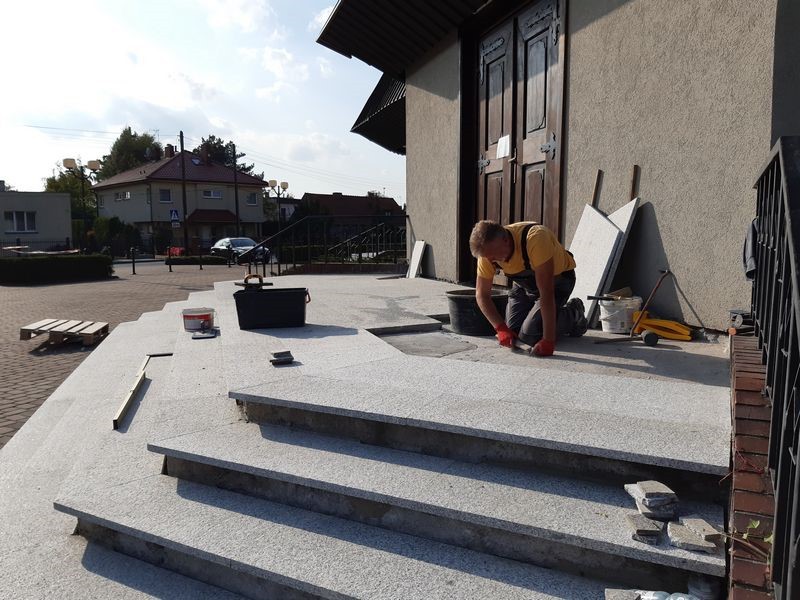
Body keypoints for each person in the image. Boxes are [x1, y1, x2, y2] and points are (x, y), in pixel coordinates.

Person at [469, 220, 587, 357]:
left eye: (494, 256)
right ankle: (536, 317)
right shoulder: (487, 253)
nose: (491, 261)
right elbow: (482, 295)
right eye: (488, 258)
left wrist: (548, 340)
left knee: (530, 335)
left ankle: (574, 314)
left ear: (506, 240)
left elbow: (546, 293)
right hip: (524, 285)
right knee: (513, 333)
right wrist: (500, 328)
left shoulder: (536, 238)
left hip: (557, 282)